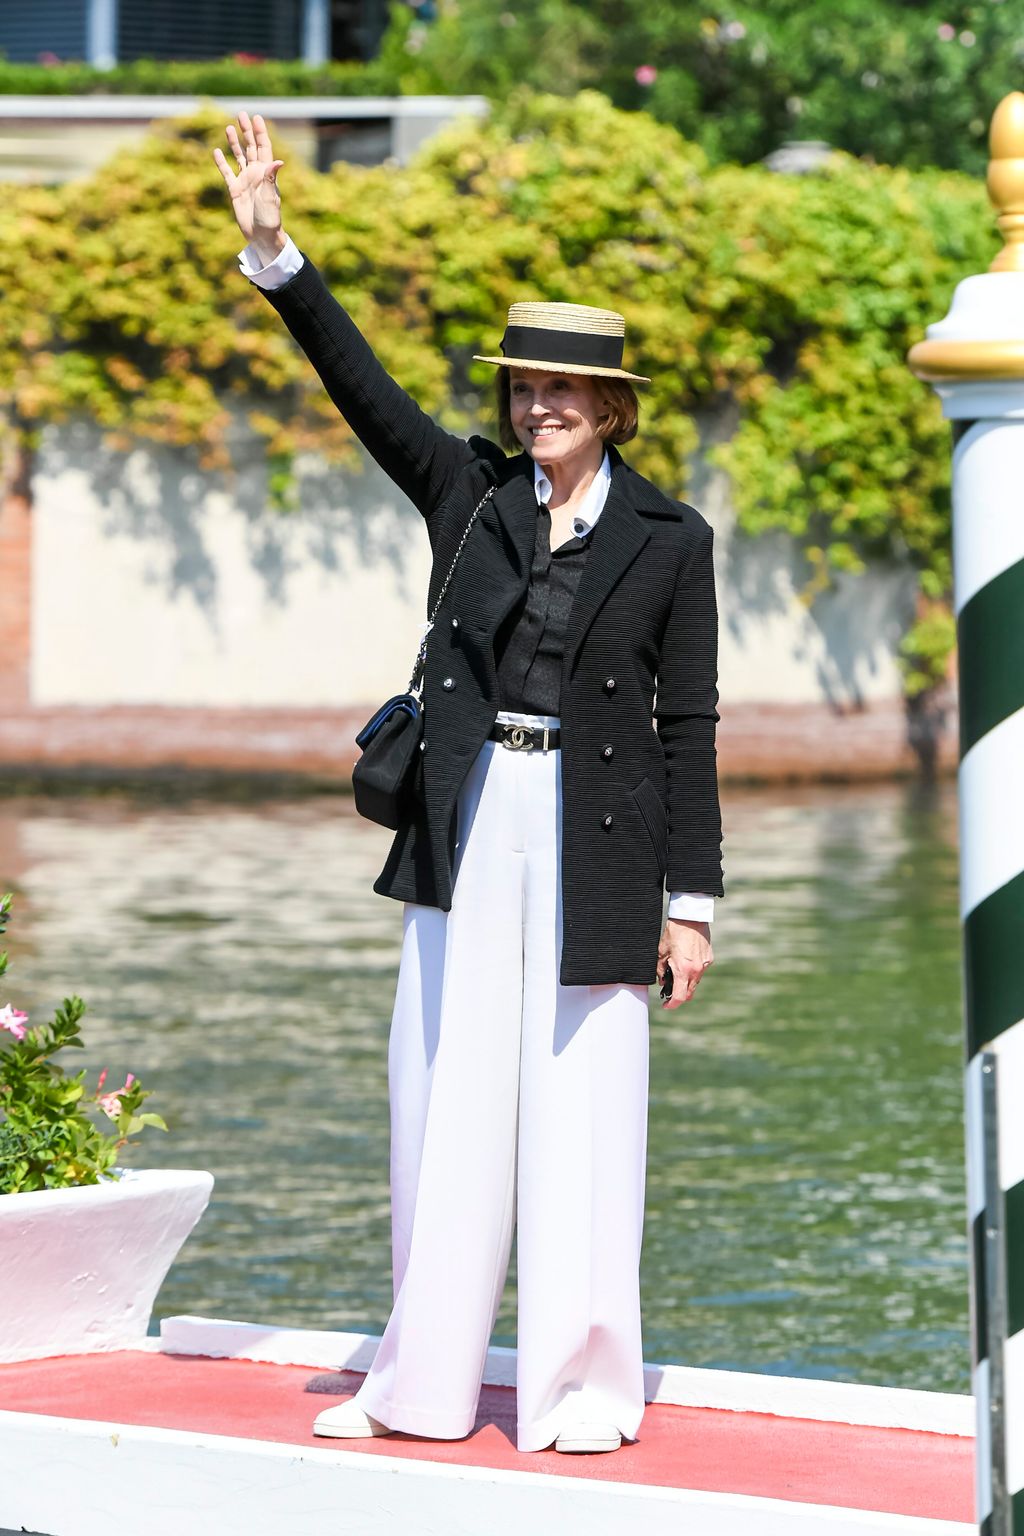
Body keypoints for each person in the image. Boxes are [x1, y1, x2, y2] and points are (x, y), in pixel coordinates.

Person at [214, 111, 723, 1457]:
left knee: (587, 1124)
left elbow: (693, 726)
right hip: (471, 820)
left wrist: (695, 906)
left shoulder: (674, 541)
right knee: (439, 1105)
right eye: (522, 388)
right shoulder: (473, 498)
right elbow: (363, 392)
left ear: (608, 404)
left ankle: (582, 1389)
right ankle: (421, 1385)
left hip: (602, 844)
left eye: (561, 390)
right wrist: (280, 255)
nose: (535, 406)